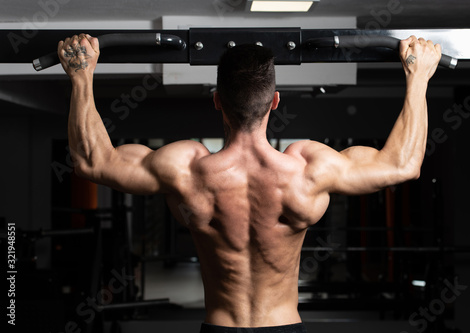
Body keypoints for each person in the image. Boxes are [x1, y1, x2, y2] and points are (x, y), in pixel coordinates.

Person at [58, 34, 441, 333]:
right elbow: (403, 165)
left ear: (217, 101)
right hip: (284, 328)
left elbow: (92, 161)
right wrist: (418, 77)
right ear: (275, 101)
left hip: (220, 327)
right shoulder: (307, 171)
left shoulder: (186, 170)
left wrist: (81, 75)